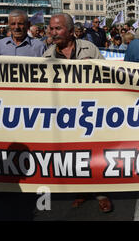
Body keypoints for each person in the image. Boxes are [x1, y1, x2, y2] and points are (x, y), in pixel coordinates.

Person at [42, 13, 109, 212]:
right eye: (51, 29)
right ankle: (81, 191)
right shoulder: (47, 56)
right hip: (64, 116)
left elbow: (110, 75)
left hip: (91, 112)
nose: (53, 33)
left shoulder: (90, 49)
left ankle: (102, 193)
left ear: (71, 32)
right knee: (73, 155)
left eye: (58, 29)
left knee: (95, 155)